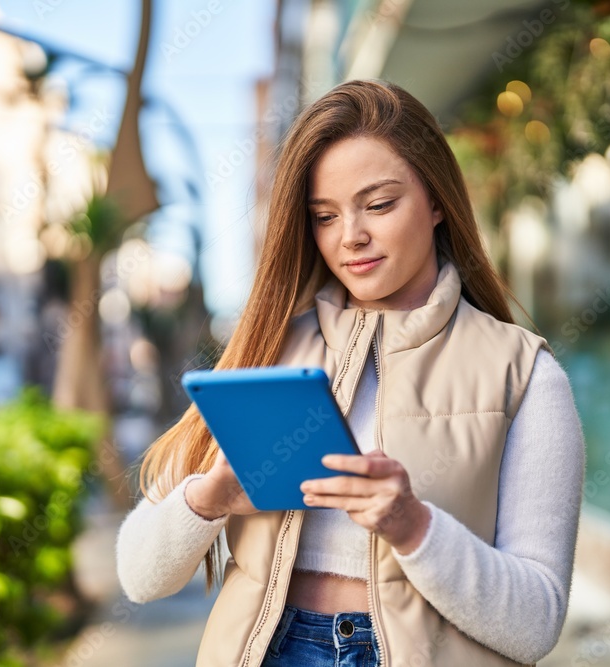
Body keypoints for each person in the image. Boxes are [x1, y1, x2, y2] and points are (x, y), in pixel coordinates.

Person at [116, 79, 585, 667]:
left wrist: (414, 527)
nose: (350, 236)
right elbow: (138, 578)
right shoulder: (269, 348)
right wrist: (208, 499)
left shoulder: (525, 374)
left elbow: (536, 622)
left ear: (437, 201)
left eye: (380, 205)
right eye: (324, 215)